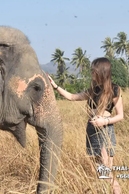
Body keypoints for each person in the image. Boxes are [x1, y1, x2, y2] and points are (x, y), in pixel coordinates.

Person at [48, 57, 123, 194]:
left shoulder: (114, 89)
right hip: (92, 131)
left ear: (101, 71)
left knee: (106, 172)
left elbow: (120, 115)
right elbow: (71, 97)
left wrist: (104, 121)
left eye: (93, 71)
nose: (91, 73)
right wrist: (55, 86)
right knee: (101, 171)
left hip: (104, 130)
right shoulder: (93, 90)